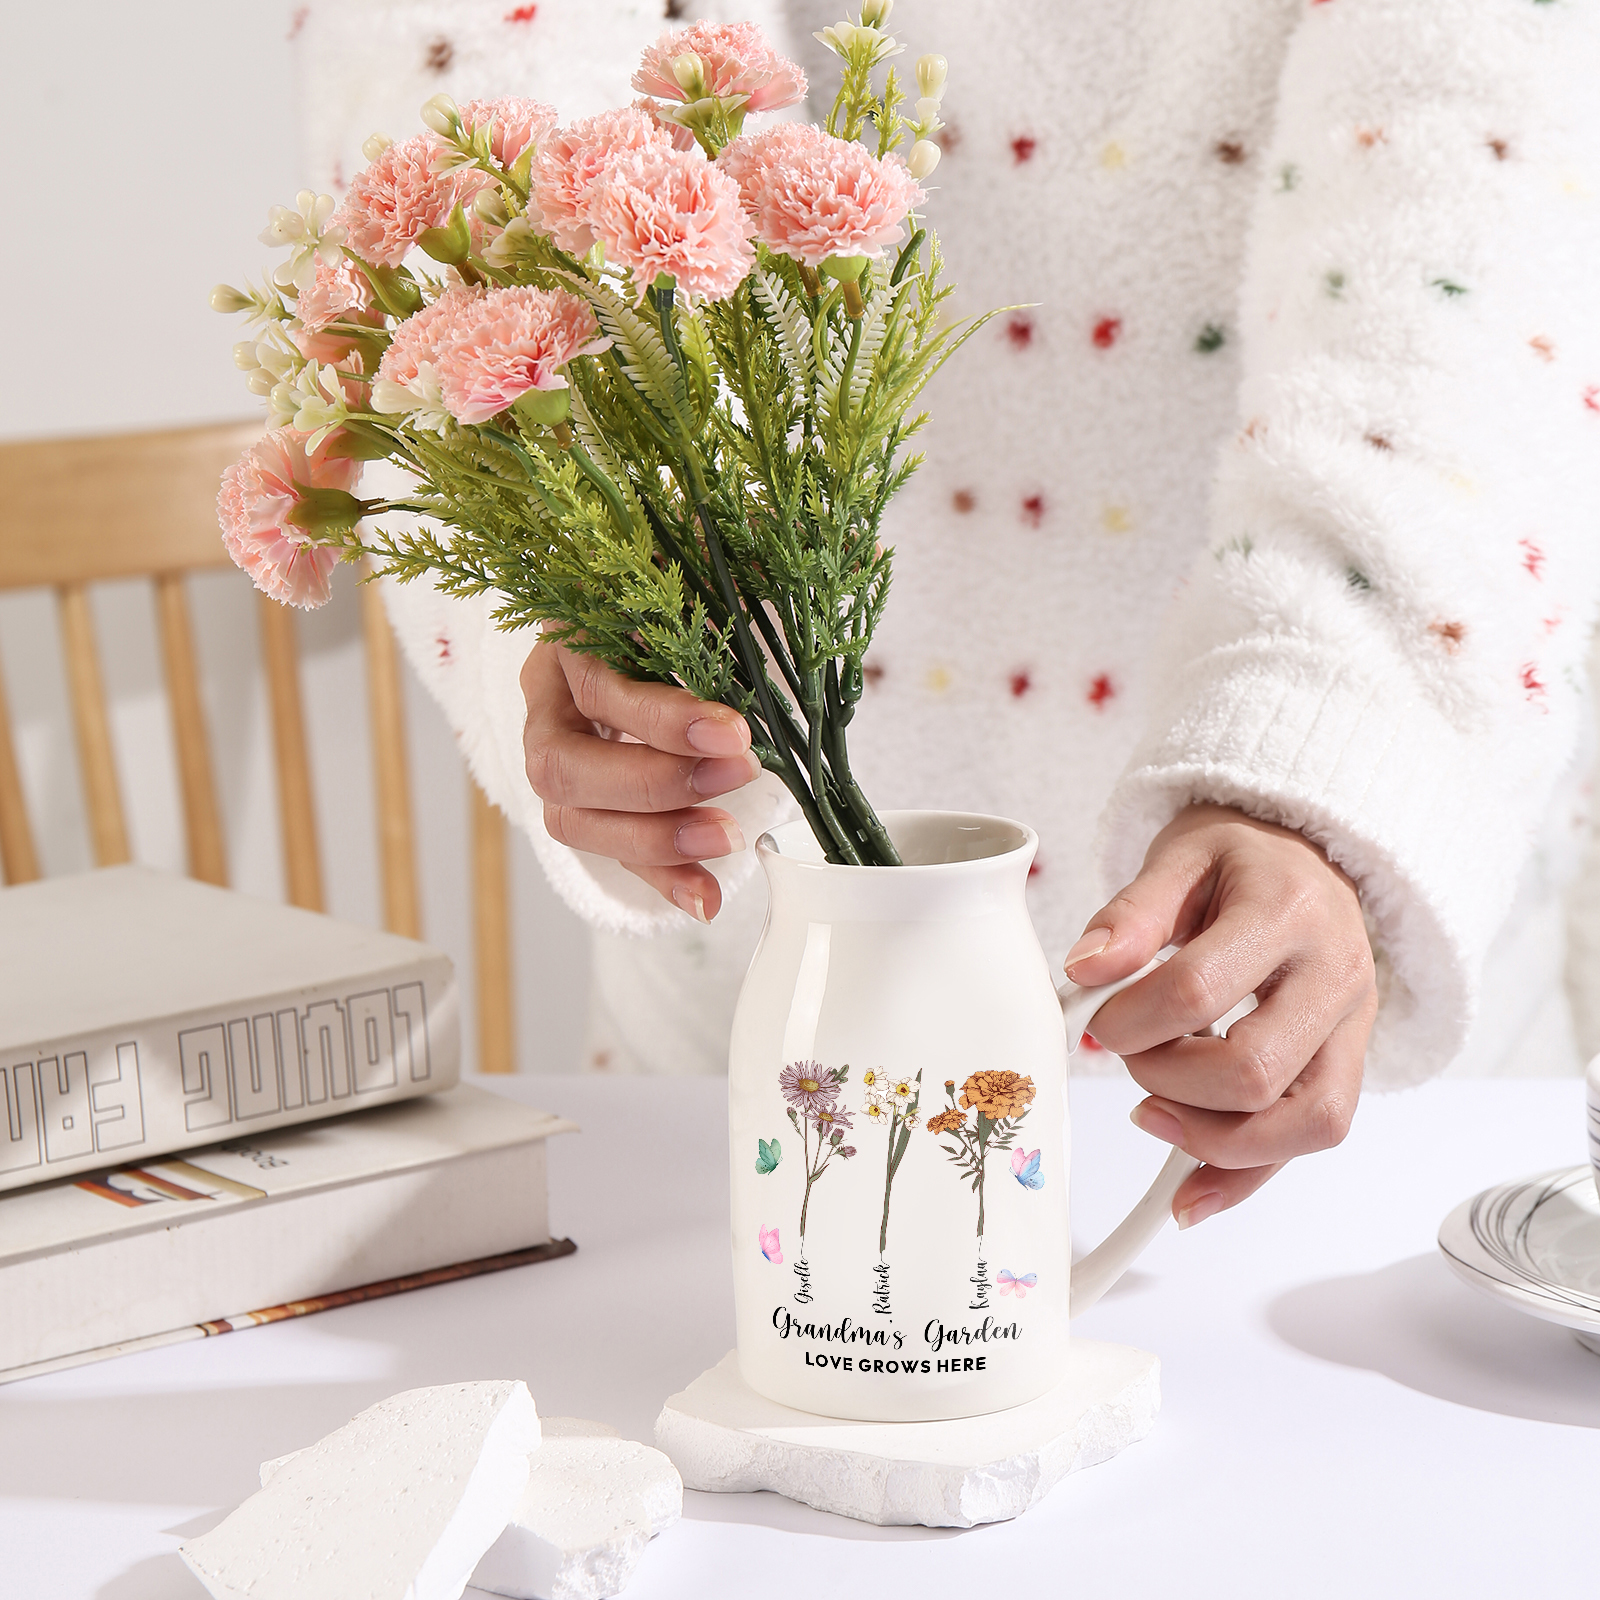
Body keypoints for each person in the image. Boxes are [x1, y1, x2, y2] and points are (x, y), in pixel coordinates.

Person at [297, 0, 1600, 1227]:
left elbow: (1481, 207)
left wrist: (1322, 753)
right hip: (743, 1008)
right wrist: (602, 566)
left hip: (1341, 1034)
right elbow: (460, 89)